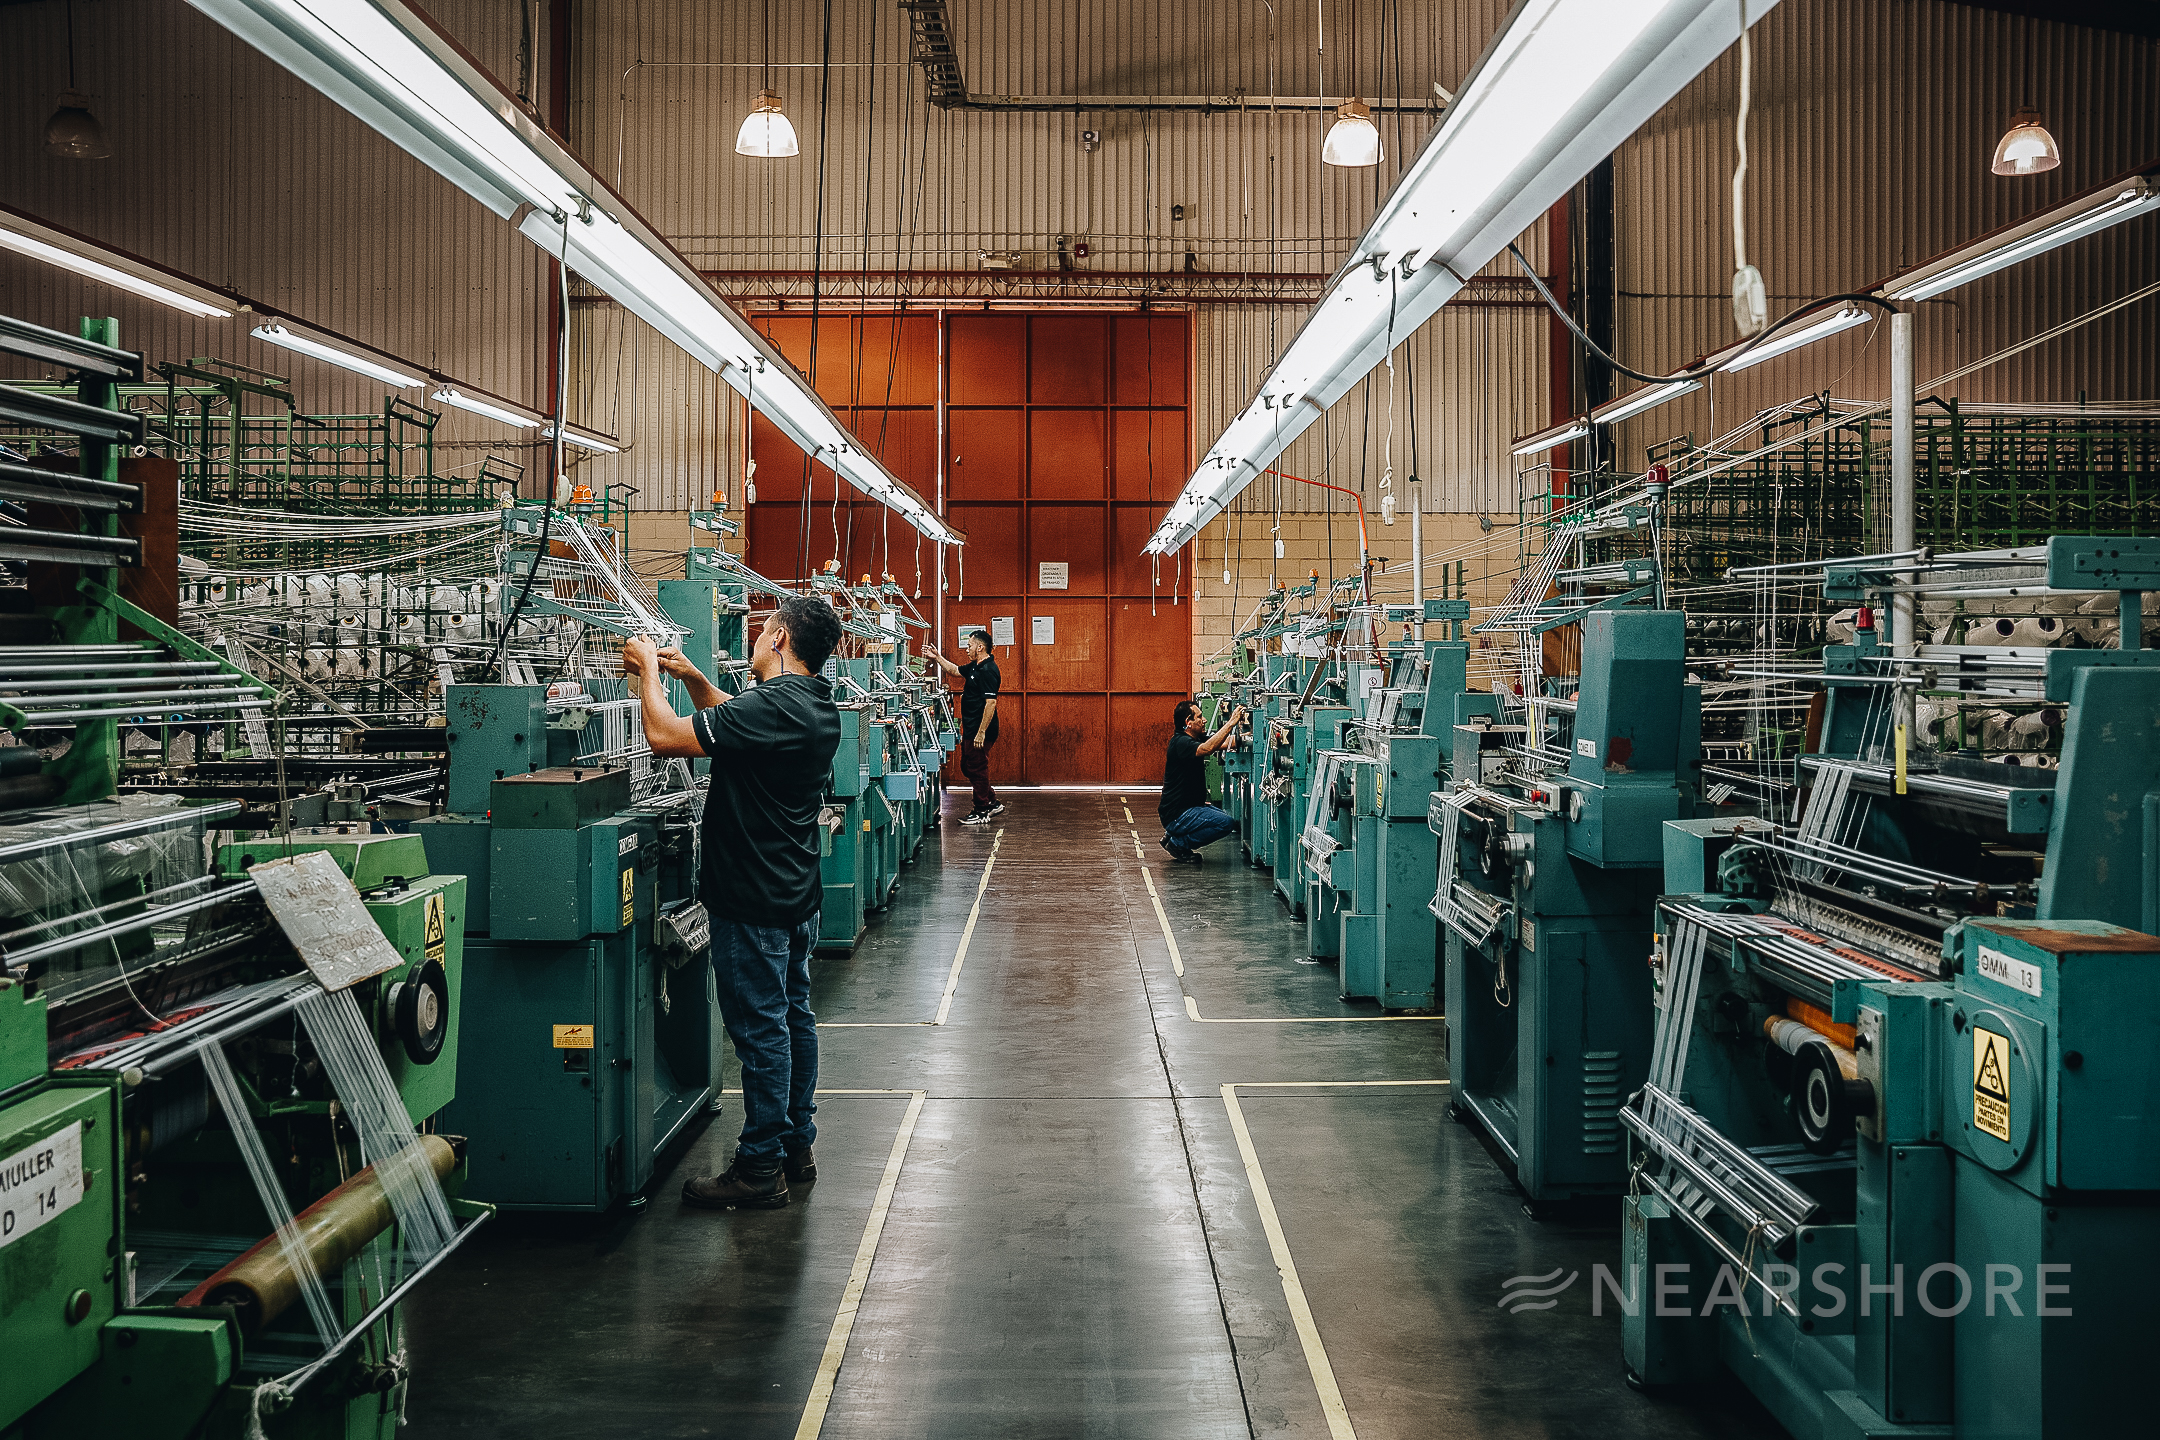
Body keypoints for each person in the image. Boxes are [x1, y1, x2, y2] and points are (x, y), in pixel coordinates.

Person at [625, 593, 843, 1210]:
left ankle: (758, 1168)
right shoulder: (811, 704)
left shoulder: (774, 705)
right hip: (793, 895)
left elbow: (664, 737)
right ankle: (796, 1146)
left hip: (751, 899)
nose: (754, 636)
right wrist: (694, 679)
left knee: (761, 1032)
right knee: (793, 1019)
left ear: (779, 638)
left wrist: (647, 672)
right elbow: (738, 721)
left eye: (761, 627)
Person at [925, 630, 1004, 826]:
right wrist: (937, 657)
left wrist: (981, 732)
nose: (966, 649)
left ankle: (981, 810)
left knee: (977, 768)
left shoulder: (988, 670)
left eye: (969, 646)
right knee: (968, 766)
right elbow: (954, 670)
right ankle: (992, 801)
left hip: (980, 730)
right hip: (971, 728)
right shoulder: (976, 666)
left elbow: (991, 703)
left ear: (980, 647)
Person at [1159, 698, 1246, 865]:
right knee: (1226, 823)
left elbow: (1224, 742)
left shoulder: (1194, 738)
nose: (1204, 720)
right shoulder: (1181, 742)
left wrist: (1255, 737)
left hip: (1188, 806)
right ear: (1188, 722)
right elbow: (1208, 748)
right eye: (1199, 717)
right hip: (1176, 813)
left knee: (1223, 816)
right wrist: (1231, 723)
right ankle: (1178, 843)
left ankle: (1172, 835)